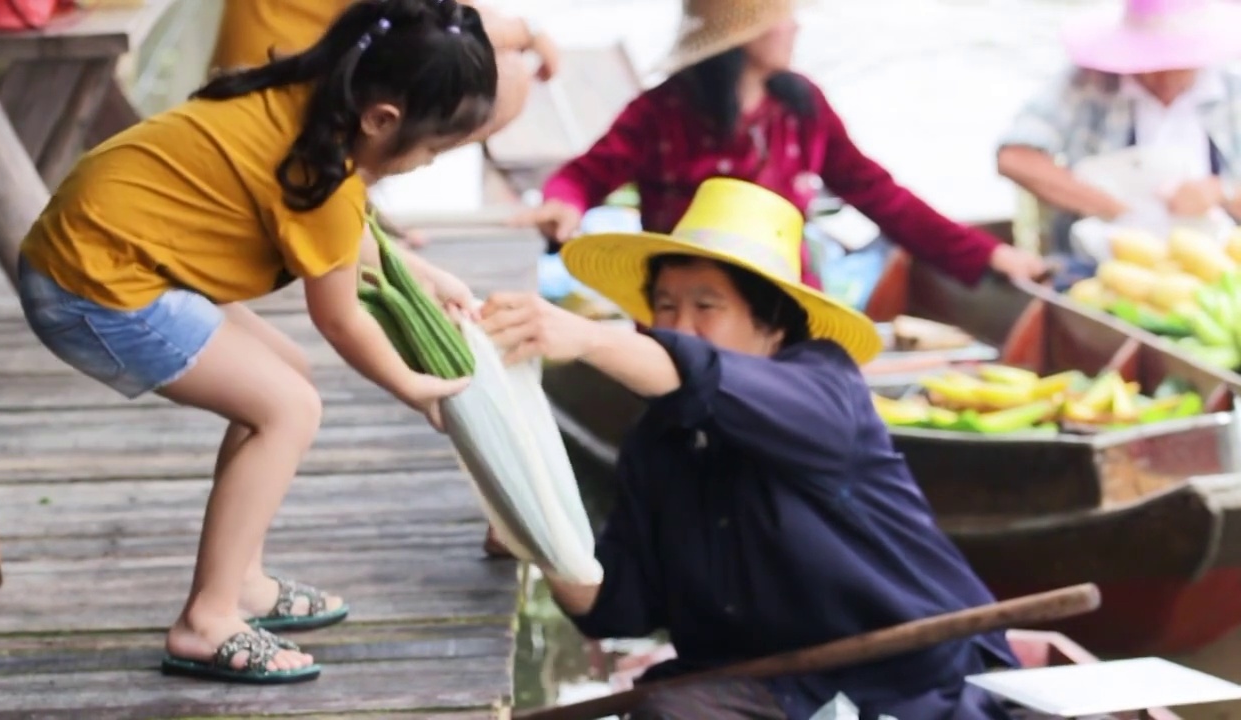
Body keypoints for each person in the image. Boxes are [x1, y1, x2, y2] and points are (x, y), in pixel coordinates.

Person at [15, 0, 496, 684]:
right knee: (288, 409)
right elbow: (342, 318)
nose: (426, 163)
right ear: (382, 119)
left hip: (96, 252)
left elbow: (341, 232)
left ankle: (239, 581)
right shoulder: (323, 172)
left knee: (284, 371)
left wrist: (421, 272)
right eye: (433, 147)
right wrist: (413, 385)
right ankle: (206, 620)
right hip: (92, 286)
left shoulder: (311, 101)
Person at [479, 178, 1019, 719]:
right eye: (664, 307)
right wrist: (540, 539)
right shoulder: (656, 441)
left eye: (706, 306)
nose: (679, 327)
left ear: (773, 327)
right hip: (766, 689)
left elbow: (703, 375)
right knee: (665, 711)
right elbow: (618, 607)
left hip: (918, 684)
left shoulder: (826, 389)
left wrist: (590, 339)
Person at [515, 0, 1046, 289]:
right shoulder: (662, 112)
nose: (794, 26)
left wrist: (988, 253)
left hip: (791, 304)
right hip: (686, 316)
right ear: (742, 35)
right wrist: (565, 205)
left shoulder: (802, 107)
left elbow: (880, 195)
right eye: (780, 15)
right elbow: (584, 176)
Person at [211, 0, 561, 248]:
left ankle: (355, 198)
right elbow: (439, 31)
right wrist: (529, 30)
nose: (431, 160)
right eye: (432, 151)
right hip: (303, 87)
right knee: (509, 75)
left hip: (271, 75)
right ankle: (340, 203)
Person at [997, 0, 1241, 264]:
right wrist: (1110, 207)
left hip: (1216, 261)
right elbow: (1014, 157)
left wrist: (1222, 193)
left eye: (1176, 63)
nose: (1162, 75)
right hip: (1103, 261)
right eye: (1153, 60)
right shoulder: (1087, 83)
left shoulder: (1232, 93)